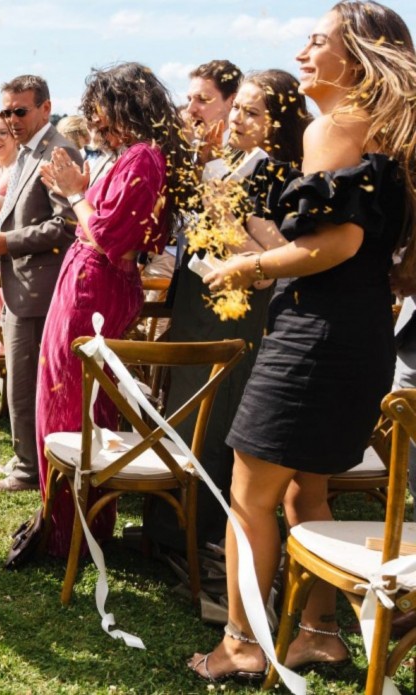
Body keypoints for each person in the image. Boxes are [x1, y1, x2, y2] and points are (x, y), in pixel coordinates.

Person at [190, 1, 416, 681]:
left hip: (313, 337)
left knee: (249, 496)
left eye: (317, 41)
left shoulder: (334, 127)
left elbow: (333, 243)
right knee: (305, 494)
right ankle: (317, 633)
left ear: (358, 58)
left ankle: (239, 644)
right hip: (360, 337)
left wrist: (244, 264)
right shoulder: (387, 136)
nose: (302, 53)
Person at [148, 70, 311, 554]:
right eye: (237, 107)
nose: (238, 118)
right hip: (200, 303)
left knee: (211, 423)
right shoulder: (232, 160)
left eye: (252, 112)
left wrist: (220, 203)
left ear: (278, 122)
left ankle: (192, 537)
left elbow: (268, 265)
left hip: (237, 313)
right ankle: (164, 529)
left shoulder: (281, 174)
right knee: (182, 417)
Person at [35, 62, 188, 556]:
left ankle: (69, 529)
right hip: (97, 282)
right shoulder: (138, 156)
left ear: (125, 105)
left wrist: (76, 194)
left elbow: (104, 234)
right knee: (84, 398)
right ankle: (78, 519)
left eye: (101, 111)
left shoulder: (143, 158)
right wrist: (77, 192)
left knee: (67, 399)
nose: (96, 122)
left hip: (93, 286)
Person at [0, 75, 83, 492]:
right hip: (22, 286)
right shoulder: (27, 153)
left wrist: (9, 241)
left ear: (45, 108)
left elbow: (68, 224)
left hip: (39, 290)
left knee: (26, 381)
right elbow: (27, 214)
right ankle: (27, 458)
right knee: (20, 379)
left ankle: (29, 469)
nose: (12, 119)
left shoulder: (59, 151)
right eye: (7, 111)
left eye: (20, 111)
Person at [186, 60, 243, 165]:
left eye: (202, 99)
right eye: (189, 100)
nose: (190, 109)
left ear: (233, 101)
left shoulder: (250, 159)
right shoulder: (189, 152)